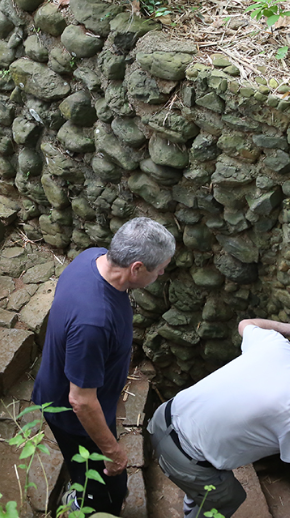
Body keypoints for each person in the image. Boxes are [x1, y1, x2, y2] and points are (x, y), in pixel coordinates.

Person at [147, 318, 290, 518]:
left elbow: (245, 324)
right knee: (229, 497)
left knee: (209, 475)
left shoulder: (275, 345)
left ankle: (195, 496)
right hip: (184, 459)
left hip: (161, 419)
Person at [32, 217, 176, 516]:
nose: (162, 273)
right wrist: (113, 453)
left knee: (83, 465)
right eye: (159, 269)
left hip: (66, 387)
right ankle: (87, 506)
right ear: (136, 268)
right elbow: (81, 402)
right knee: (109, 486)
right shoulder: (93, 322)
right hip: (71, 414)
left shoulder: (92, 258)